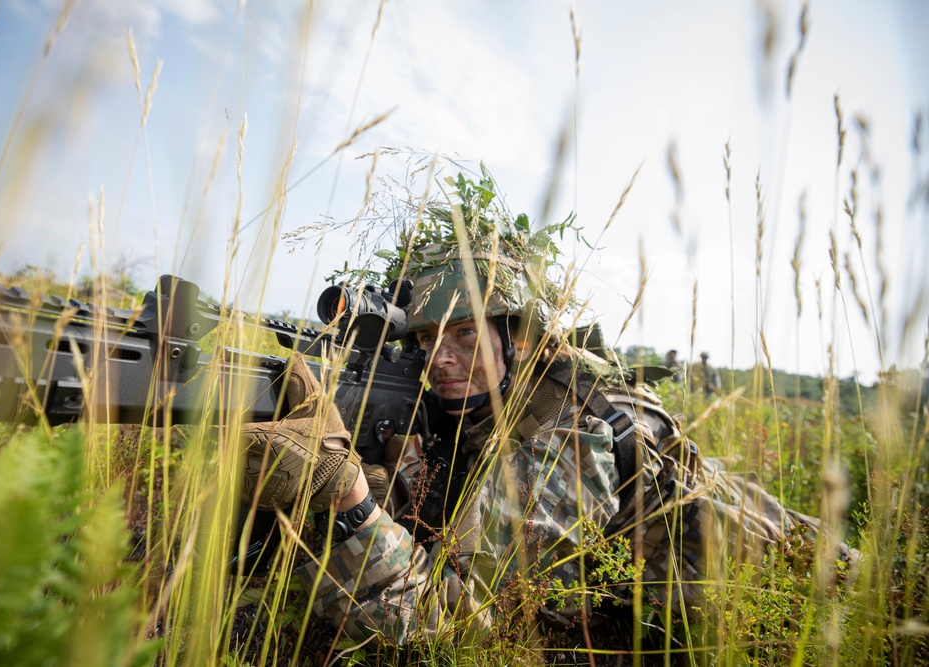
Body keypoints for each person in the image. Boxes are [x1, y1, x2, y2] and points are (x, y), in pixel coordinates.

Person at [240, 206, 837, 648]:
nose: (439, 358)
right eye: (425, 339)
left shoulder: (568, 436)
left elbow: (467, 627)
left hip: (819, 594)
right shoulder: (477, 409)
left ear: (518, 338)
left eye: (465, 334)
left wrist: (351, 502)